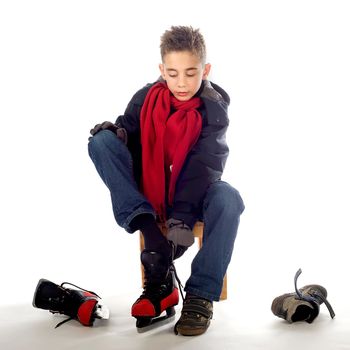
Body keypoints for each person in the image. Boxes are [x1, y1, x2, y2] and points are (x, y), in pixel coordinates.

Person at [88, 26, 245, 336]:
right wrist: (115, 133)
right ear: (162, 70)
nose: (182, 83)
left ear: (206, 69)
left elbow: (203, 168)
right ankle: (156, 262)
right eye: (172, 74)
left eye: (190, 73)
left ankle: (199, 295)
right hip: (151, 197)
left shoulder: (213, 107)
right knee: (100, 142)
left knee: (229, 198)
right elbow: (129, 132)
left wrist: (179, 235)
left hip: (194, 195)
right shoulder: (146, 97)